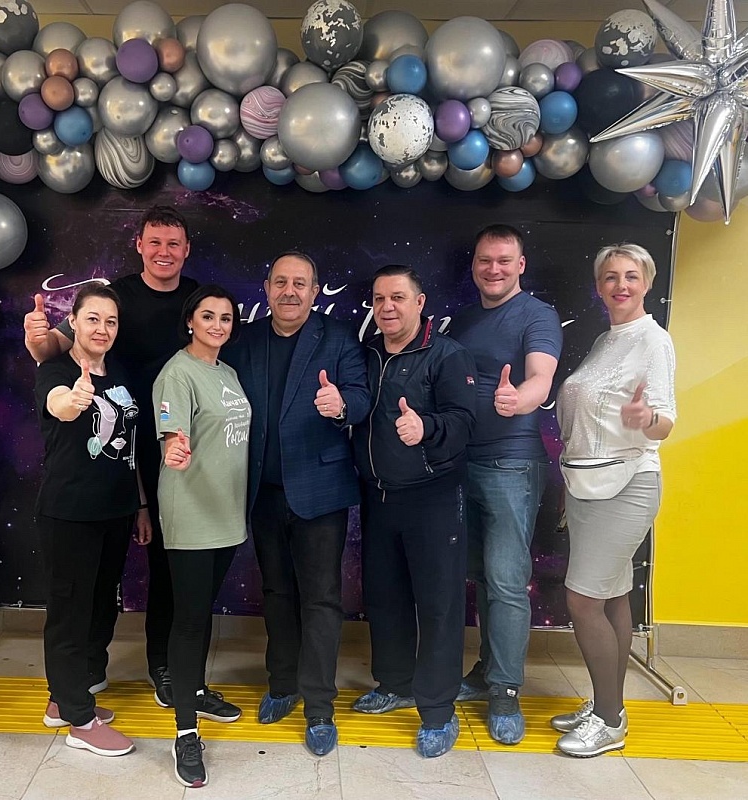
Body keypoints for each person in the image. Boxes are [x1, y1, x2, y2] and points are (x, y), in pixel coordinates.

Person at [24, 205, 198, 706]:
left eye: (173, 243)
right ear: (139, 245)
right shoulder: (112, 296)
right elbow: (53, 365)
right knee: (75, 597)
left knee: (121, 583)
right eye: (154, 241)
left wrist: (140, 501)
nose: (163, 252)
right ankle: (73, 692)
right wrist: (40, 344)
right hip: (88, 483)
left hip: (155, 459)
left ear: (186, 250)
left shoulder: (197, 299)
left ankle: (137, 670)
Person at [223, 251, 371, 756]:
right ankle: (282, 683)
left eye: (300, 283)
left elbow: (361, 395)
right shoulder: (245, 340)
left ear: (314, 291)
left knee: (322, 599)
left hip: (320, 493)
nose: (290, 291)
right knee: (277, 592)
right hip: (263, 493)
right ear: (267, 288)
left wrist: (342, 405)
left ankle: (319, 707)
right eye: (281, 282)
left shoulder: (338, 338)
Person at [552, 244, 676, 757]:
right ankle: (608, 703)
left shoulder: (653, 339)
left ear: (647, 282)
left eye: (630, 276)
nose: (620, 285)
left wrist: (647, 419)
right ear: (599, 285)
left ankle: (609, 721)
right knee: (614, 596)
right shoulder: (608, 338)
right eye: (610, 277)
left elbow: (665, 421)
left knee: (583, 601)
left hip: (627, 483)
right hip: (587, 484)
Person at [352, 265, 476, 759]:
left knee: (439, 605)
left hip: (433, 497)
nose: (387, 307)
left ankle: (439, 710)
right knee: (385, 598)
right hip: (379, 497)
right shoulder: (367, 354)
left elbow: (465, 421)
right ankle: (396, 684)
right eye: (379, 298)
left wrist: (426, 427)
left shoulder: (447, 354)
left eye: (398, 297)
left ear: (420, 303)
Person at [446, 225, 563, 744]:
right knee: (483, 577)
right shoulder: (463, 319)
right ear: (474, 265)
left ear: (520, 265)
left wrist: (521, 400)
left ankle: (506, 691)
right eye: (484, 260)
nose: (493, 269)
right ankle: (486, 672)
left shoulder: (537, 316)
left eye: (503, 260)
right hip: (462, 464)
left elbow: (541, 377)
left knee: (508, 580)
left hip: (512, 464)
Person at [33, 283, 151, 758]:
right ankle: (80, 720)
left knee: (101, 607)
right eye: (93, 319)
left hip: (116, 511)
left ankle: (65, 699)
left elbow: (131, 446)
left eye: (110, 321)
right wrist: (75, 399)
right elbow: (58, 404)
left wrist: (140, 505)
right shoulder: (57, 370)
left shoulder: (120, 372)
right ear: (74, 322)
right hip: (70, 514)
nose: (102, 329)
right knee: (70, 613)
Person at [152, 285, 250, 787]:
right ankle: (185, 732)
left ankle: (193, 691)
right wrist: (173, 446)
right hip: (191, 511)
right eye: (207, 316)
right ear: (190, 320)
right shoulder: (177, 373)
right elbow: (173, 432)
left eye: (226, 318)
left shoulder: (227, 373)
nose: (217, 325)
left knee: (201, 611)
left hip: (227, 512)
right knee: (189, 623)